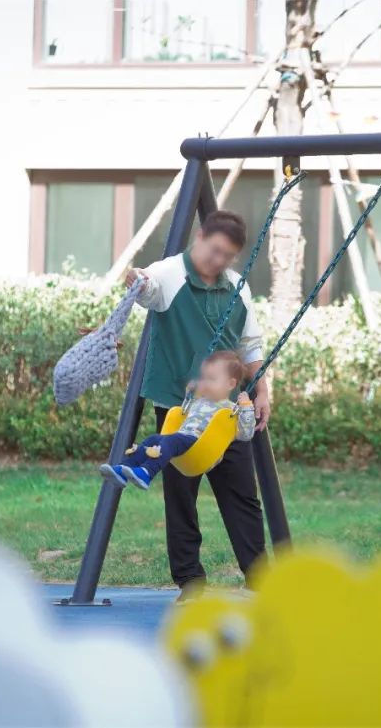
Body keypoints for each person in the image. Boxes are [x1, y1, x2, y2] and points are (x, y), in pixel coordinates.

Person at [123, 210, 269, 600]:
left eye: (228, 256)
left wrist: (263, 390)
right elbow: (148, 288)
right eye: (215, 250)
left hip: (226, 409)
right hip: (180, 406)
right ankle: (190, 579)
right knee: (181, 493)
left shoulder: (237, 286)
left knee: (241, 493)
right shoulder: (170, 274)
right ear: (200, 236)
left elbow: (250, 344)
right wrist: (135, 279)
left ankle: (260, 578)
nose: (218, 261)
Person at [101, 351, 256, 490]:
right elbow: (184, 416)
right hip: (183, 438)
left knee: (170, 441)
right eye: (204, 378)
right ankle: (123, 469)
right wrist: (189, 394)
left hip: (202, 447)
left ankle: (147, 473)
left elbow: (246, 434)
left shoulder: (231, 410)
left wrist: (247, 408)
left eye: (212, 379)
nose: (205, 383)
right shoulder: (200, 401)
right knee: (153, 439)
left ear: (230, 384)